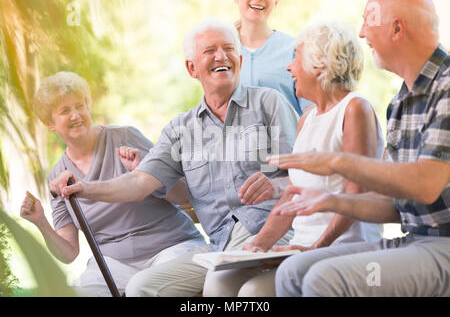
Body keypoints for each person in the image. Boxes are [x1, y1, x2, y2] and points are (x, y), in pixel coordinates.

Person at [48, 19, 299, 297]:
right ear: (192, 68)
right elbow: (138, 183)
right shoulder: (181, 129)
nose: (221, 56)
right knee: (142, 287)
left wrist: (274, 188)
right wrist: (86, 188)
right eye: (209, 50)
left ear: (239, 60)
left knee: (221, 287)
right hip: (218, 248)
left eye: (229, 49)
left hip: (272, 230)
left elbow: (300, 176)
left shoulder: (268, 103)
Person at [268, 0, 450, 296]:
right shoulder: (400, 102)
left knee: (325, 279)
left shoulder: (446, 86)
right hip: (413, 239)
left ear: (396, 28)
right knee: (292, 271)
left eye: (368, 20)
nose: (362, 33)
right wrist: (330, 200)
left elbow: (427, 185)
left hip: (444, 245)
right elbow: (395, 207)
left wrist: (338, 162)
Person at [203, 21, 384, 297]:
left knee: (254, 293)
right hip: (302, 249)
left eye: (295, 58)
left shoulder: (354, 108)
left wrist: (315, 248)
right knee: (220, 282)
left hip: (343, 250)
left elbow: (355, 194)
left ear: (319, 63)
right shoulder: (306, 120)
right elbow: (291, 196)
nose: (289, 68)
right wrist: (259, 245)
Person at [19, 71, 206, 296]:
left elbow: (184, 196)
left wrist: (144, 170)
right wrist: (40, 221)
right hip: (116, 265)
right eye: (65, 111)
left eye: (80, 105)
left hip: (171, 248)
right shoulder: (57, 177)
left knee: (142, 288)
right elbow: (68, 253)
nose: (76, 115)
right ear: (49, 123)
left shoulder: (125, 137)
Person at [234, 0, 312, 115]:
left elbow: (310, 111)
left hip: (286, 133)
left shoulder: (295, 49)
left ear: (276, 1)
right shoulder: (220, 50)